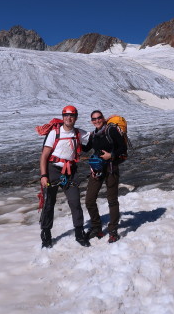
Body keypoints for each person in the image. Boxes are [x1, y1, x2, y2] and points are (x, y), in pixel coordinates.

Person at [39, 105, 91, 248]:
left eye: (72, 115)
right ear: (63, 117)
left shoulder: (79, 133)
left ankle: (79, 234)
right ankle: (46, 234)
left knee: (75, 202)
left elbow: (95, 137)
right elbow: (44, 156)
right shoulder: (55, 133)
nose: (69, 118)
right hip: (52, 171)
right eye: (66, 115)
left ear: (76, 118)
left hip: (70, 172)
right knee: (49, 203)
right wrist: (44, 176)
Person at [85, 110, 127, 243]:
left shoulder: (111, 131)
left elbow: (123, 148)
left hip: (111, 168)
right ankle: (97, 227)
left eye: (99, 118)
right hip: (97, 169)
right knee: (89, 200)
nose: (96, 120)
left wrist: (111, 155)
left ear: (103, 118)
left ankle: (113, 230)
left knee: (112, 200)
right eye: (94, 119)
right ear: (91, 121)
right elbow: (86, 148)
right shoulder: (94, 135)